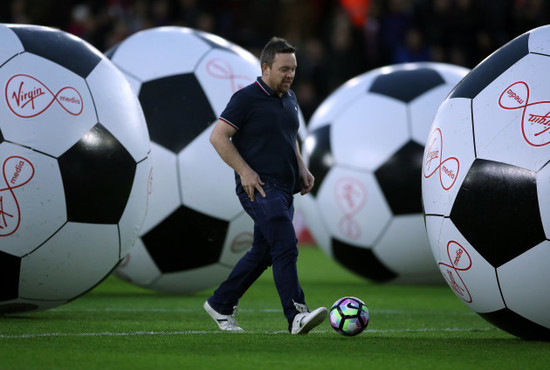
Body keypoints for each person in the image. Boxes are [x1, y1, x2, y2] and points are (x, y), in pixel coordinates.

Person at [204, 37, 327, 334]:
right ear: (265, 68)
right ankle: (297, 315)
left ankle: (221, 303)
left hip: (284, 190)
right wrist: (244, 172)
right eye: (284, 69)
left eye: (294, 69)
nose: (290, 75)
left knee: (263, 253)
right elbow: (218, 136)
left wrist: (301, 167)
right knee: (285, 244)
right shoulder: (246, 98)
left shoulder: (290, 98)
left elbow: (289, 137)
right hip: (258, 188)